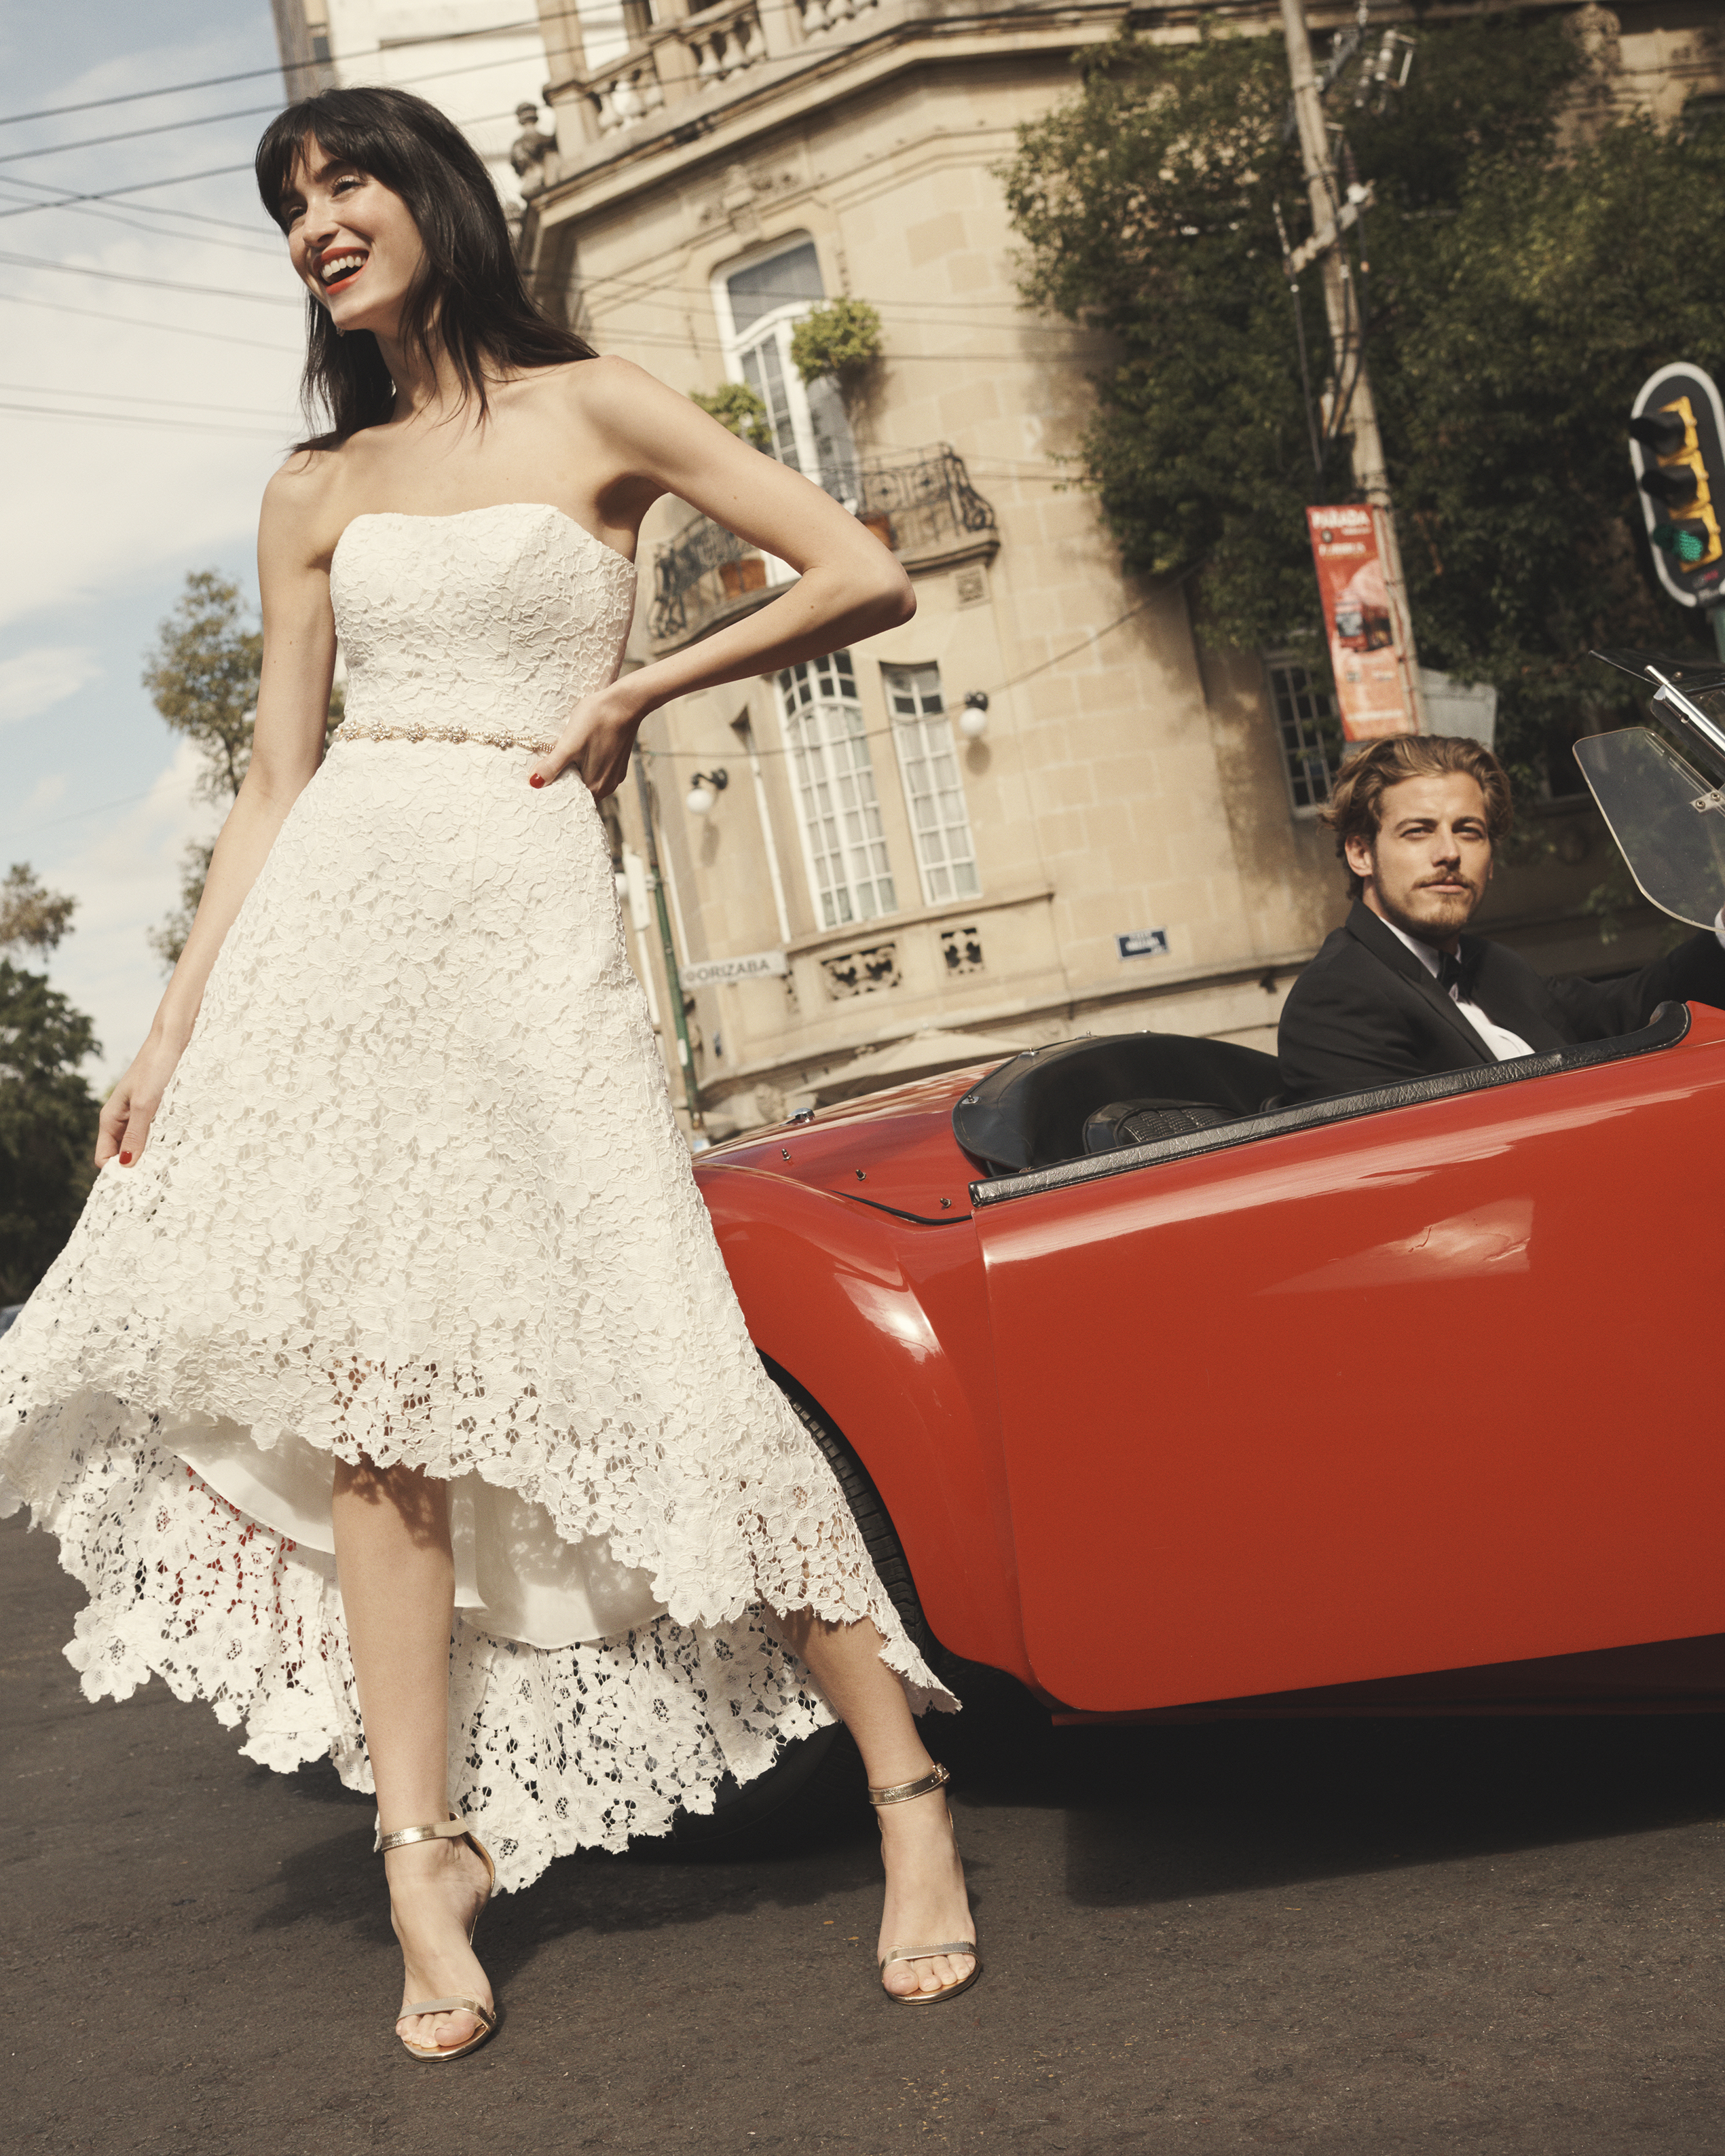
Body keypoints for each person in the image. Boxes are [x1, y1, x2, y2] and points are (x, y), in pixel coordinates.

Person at [0, 85, 979, 2058]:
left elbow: (858, 568)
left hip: (528, 930)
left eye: (342, 180)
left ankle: (903, 1777)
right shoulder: (314, 491)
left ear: (432, 190)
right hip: (337, 939)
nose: (314, 223)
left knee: (661, 1355)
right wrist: (175, 1028)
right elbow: (277, 779)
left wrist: (638, 681)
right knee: (377, 1402)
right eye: (288, 204)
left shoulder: (596, 409)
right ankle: (420, 1847)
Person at [1278, 731, 1725, 1103]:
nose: (1448, 853)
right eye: (1418, 831)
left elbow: (1621, 1009)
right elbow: (1406, 1176)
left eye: (1468, 831)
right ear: (1360, 853)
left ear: (1490, 861)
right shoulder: (1336, 995)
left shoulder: (1496, 966)